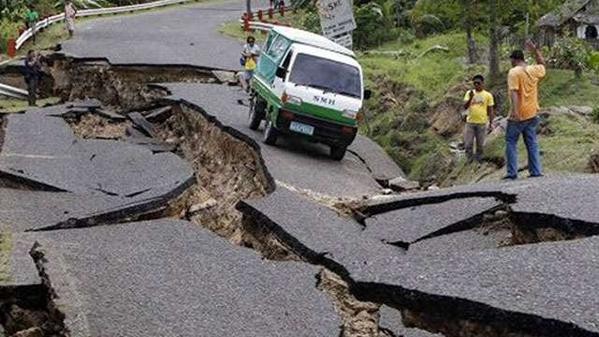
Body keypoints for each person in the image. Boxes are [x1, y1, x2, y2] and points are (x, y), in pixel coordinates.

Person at [504, 40, 546, 180]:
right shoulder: (534, 69)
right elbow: (543, 65)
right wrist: (535, 50)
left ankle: (512, 173)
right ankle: (535, 171)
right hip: (533, 112)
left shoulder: (514, 72)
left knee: (511, 142)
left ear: (514, 60)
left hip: (519, 114)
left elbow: (514, 92)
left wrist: (515, 112)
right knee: (532, 142)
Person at [463, 74, 495, 163]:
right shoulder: (469, 93)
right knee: (468, 143)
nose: (476, 85)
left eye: (478, 83)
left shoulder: (488, 95)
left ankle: (479, 160)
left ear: (482, 83)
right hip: (470, 122)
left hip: (482, 122)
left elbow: (490, 110)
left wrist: (491, 123)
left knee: (480, 144)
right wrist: (471, 98)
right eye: (475, 83)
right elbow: (465, 106)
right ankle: (469, 160)